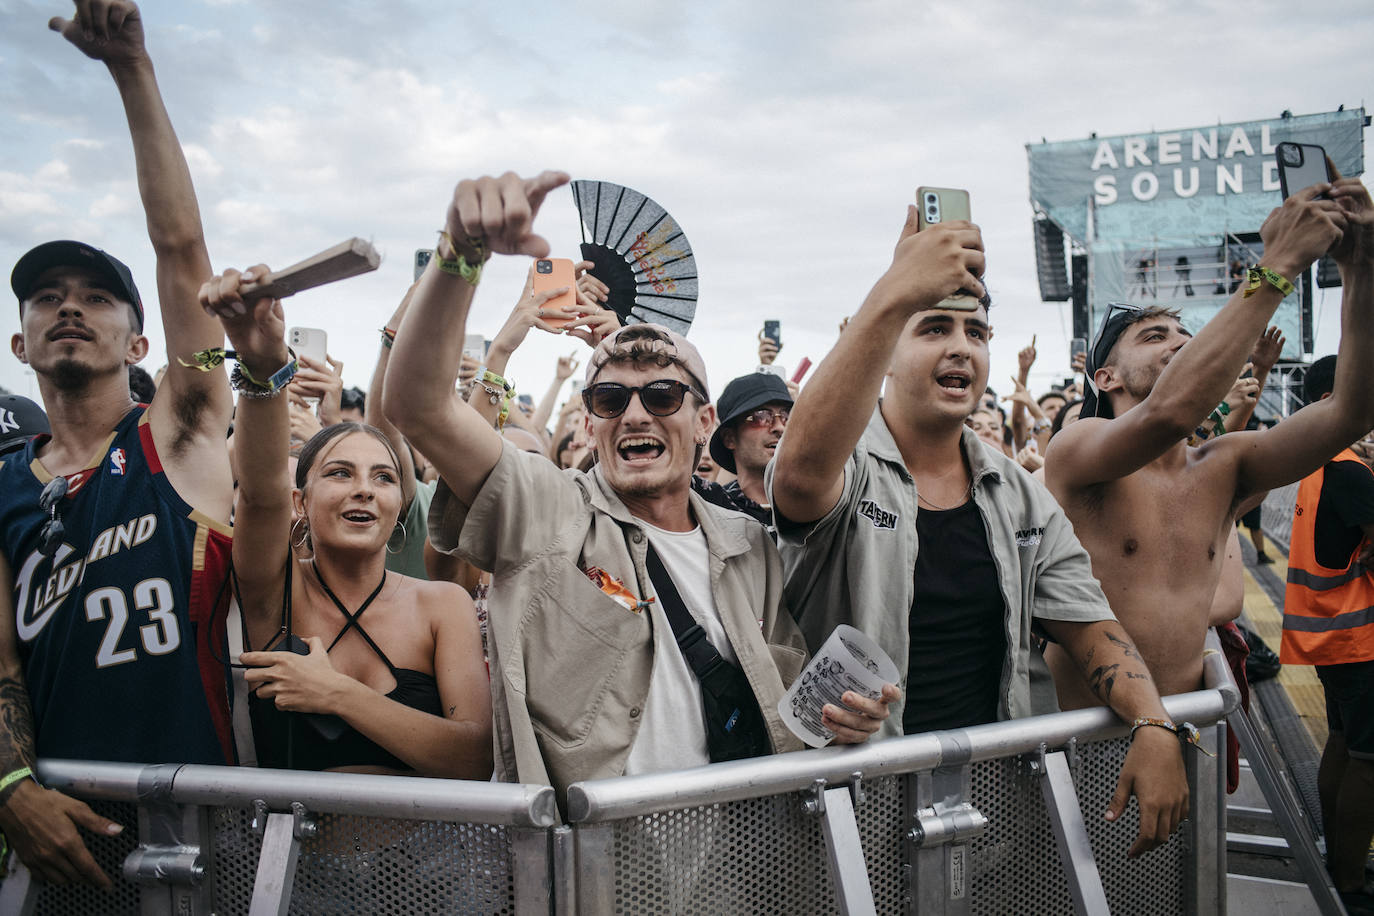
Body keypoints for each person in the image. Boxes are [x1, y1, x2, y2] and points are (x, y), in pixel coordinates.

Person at [383, 169, 896, 800]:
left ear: (704, 421)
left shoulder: (749, 547)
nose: (634, 414)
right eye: (608, 397)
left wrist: (845, 718)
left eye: (661, 395)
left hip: (740, 865)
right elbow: (417, 404)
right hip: (592, 874)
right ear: (593, 421)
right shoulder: (546, 512)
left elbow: (786, 706)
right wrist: (460, 256)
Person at [768, 203, 1190, 857]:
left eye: (977, 332)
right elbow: (797, 477)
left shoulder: (1021, 494)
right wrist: (892, 293)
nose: (961, 346)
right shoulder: (847, 462)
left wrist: (1154, 722)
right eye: (934, 327)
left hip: (986, 813)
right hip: (847, 811)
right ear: (887, 349)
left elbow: (1090, 626)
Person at [0, 0, 236, 887]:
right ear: (19, 343)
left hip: (204, 824)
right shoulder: (3, 489)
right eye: (47, 295)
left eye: (97, 297)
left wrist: (132, 71)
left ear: (141, 346)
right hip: (57, 837)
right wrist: (10, 785)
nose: (69, 305)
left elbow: (183, 251)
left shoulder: (175, 429)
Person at [1043, 178, 1373, 714]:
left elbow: (1350, 412)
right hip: (1084, 743)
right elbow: (1168, 413)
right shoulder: (1078, 448)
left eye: (1185, 339)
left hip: (1185, 730)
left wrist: (1361, 266)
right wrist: (1280, 262)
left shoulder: (1227, 463)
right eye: (1154, 338)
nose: (1178, 344)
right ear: (1105, 377)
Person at [199, 265, 492, 779]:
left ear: (401, 503)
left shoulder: (442, 604)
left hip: (426, 858)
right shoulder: (276, 592)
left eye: (383, 478)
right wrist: (264, 368)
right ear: (300, 502)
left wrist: (336, 694)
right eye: (339, 472)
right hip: (288, 859)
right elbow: (260, 494)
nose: (363, 488)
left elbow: (473, 758)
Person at [1280, 355, 1374, 912]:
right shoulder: (1351, 471)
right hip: (1360, 636)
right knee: (1368, 759)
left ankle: (1336, 858)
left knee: (1342, 742)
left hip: (1327, 636)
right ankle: (1351, 882)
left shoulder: (1317, 464)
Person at [704, 371, 794, 528]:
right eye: (761, 416)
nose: (779, 427)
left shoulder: (819, 503)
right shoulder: (710, 512)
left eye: (786, 415)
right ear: (729, 438)